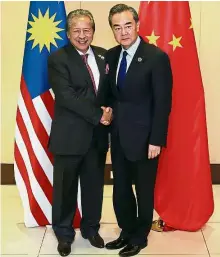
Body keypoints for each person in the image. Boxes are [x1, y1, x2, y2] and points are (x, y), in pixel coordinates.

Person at [104, 4, 173, 257]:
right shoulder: (111, 56)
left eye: (127, 25)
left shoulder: (156, 57)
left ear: (137, 25)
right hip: (119, 136)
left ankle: (139, 236)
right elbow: (110, 95)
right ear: (112, 29)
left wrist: (156, 139)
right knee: (120, 187)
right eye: (117, 27)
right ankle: (126, 230)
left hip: (145, 139)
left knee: (143, 189)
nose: (123, 32)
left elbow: (163, 102)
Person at [48, 9, 112, 256]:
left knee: (94, 186)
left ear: (93, 31)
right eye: (77, 30)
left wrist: (110, 110)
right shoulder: (58, 58)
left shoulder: (104, 56)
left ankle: (91, 229)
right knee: (65, 189)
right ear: (68, 33)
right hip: (69, 137)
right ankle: (64, 234)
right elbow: (67, 97)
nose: (82, 35)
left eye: (87, 30)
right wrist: (99, 115)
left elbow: (110, 91)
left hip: (96, 138)